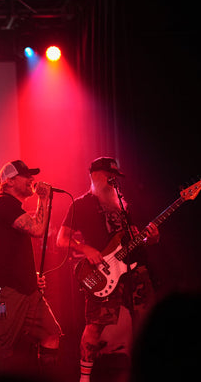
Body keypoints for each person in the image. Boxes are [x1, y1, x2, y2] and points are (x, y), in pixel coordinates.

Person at [56, 157, 160, 382]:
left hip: (135, 268)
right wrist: (86, 248)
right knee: (95, 327)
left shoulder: (123, 204)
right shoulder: (81, 205)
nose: (113, 181)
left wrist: (151, 239)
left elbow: (135, 237)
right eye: (109, 176)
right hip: (104, 273)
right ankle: (84, 378)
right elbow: (61, 239)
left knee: (147, 322)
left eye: (116, 177)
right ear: (94, 176)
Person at [0, 160, 62, 376]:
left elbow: (11, 251)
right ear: (10, 181)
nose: (32, 180)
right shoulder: (3, 203)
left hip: (26, 289)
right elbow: (37, 229)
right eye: (26, 176)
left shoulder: (11, 207)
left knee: (50, 334)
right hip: (4, 291)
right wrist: (43, 198)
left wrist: (30, 276)